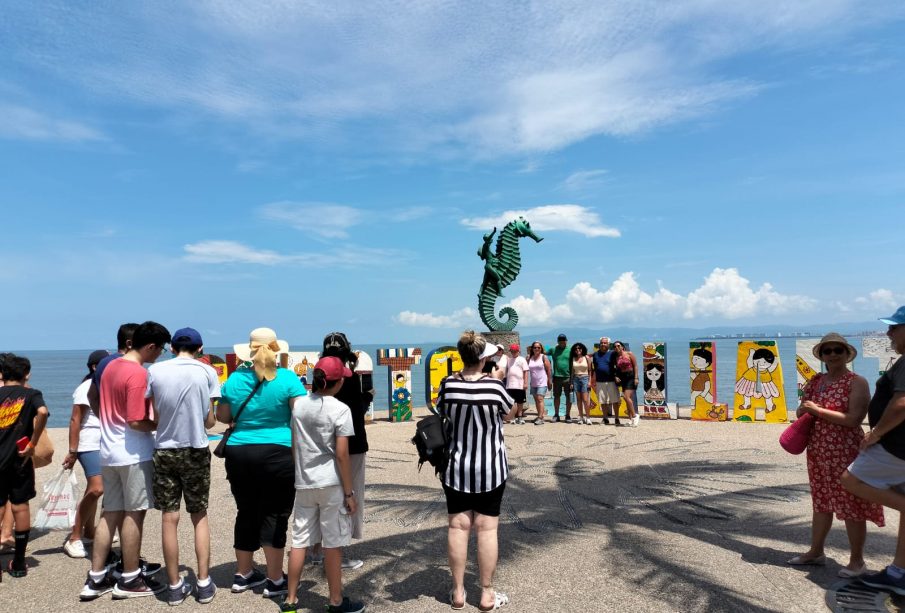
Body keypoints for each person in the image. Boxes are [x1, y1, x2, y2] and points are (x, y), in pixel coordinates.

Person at [80, 321, 171, 600]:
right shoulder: (138, 374)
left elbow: (94, 400)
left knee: (110, 513)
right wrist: (158, 424)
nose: (160, 355)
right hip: (133, 453)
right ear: (151, 346)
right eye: (161, 350)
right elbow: (135, 419)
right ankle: (130, 577)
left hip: (107, 450)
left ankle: (96, 577)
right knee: (135, 513)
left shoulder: (109, 368)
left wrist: (111, 422)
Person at [217, 327, 306, 599]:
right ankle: (275, 578)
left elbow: (222, 416)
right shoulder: (288, 379)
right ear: (276, 349)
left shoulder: (233, 380)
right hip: (277, 452)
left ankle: (242, 574)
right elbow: (301, 416)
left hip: (239, 452)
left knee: (246, 510)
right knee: (275, 513)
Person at [786, 332, 881, 577]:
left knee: (851, 504)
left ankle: (857, 561)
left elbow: (853, 420)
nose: (832, 355)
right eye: (827, 351)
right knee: (821, 502)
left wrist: (818, 410)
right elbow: (801, 412)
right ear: (822, 355)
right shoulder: (816, 380)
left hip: (845, 450)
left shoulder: (856, 382)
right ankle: (815, 552)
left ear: (846, 354)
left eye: (837, 350)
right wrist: (805, 410)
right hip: (818, 450)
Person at [439, 331, 516, 611]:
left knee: (457, 527)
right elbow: (510, 413)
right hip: (490, 468)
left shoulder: (448, 384)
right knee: (486, 530)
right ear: (483, 358)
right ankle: (486, 594)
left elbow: (441, 411)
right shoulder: (494, 387)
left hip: (456, 467)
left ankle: (458, 592)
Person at [282, 357, 364, 613]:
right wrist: (349, 493)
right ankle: (336, 600)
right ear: (337, 381)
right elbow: (342, 455)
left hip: (304, 482)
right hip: (331, 483)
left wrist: (300, 472)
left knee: (299, 541)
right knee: (332, 543)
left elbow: (296, 445)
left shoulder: (299, 406)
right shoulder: (340, 409)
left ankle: (290, 600)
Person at [146, 327, 220, 605]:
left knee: (169, 517)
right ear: (200, 348)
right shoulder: (207, 372)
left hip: (164, 449)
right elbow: (209, 421)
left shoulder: (155, 372)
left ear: (173, 347)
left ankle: (175, 586)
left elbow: (153, 413)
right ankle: (203, 582)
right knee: (199, 515)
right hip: (196, 449)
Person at [841, 306, 905, 593]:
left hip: (895, 447)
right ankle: (898, 572)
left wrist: (875, 434)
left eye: (895, 327)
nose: (888, 333)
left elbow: (902, 404)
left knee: (850, 480)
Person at [312, 332, 374, 571]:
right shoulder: (351, 376)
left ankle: (317, 549)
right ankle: (336, 553)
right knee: (348, 498)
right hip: (353, 445)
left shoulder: (322, 377)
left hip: (323, 445)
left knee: (324, 499)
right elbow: (362, 405)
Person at [0, 354, 50, 578]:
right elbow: (43, 412)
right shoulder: (32, 394)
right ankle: (19, 563)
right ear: (26, 374)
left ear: (2, 374)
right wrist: (32, 443)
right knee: (20, 506)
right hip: (20, 460)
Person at [62, 349, 110, 558]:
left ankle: (90, 531)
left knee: (97, 488)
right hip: (88, 444)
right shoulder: (86, 388)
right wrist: (72, 451)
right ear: (94, 367)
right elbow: (75, 419)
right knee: (97, 489)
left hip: (107, 443)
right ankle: (74, 536)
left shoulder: (106, 386)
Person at [592, 337, 619, 425]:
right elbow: (594, 368)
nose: (603, 344)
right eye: (602, 343)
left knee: (614, 400)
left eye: (605, 343)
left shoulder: (613, 354)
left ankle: (617, 418)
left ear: (608, 344)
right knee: (602, 401)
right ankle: (605, 418)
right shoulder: (595, 354)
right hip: (600, 381)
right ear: (600, 344)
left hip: (611, 380)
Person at [547, 334, 573, 423]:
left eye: (564, 340)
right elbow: (541, 353)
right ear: (557, 341)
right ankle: (556, 415)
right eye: (560, 340)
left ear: (566, 340)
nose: (562, 342)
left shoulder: (570, 350)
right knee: (556, 397)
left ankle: (568, 415)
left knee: (568, 397)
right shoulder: (553, 349)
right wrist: (529, 353)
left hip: (568, 377)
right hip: (557, 377)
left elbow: (580, 356)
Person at [613, 341, 640, 427]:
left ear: (622, 347)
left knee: (626, 396)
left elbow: (635, 366)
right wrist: (616, 377)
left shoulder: (629, 354)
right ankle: (630, 419)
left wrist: (636, 377)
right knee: (627, 399)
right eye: (615, 346)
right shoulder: (617, 357)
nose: (617, 347)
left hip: (631, 377)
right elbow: (617, 369)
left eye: (618, 346)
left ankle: (635, 416)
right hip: (623, 378)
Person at [527, 341, 552, 426]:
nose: (537, 349)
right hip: (533, 383)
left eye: (538, 347)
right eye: (535, 347)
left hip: (542, 382)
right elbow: (525, 369)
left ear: (541, 349)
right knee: (536, 400)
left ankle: (541, 417)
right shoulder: (529, 358)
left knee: (540, 398)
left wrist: (549, 381)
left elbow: (549, 370)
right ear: (532, 349)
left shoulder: (543, 357)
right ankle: (539, 416)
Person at [504, 345, 528, 424]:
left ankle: (520, 416)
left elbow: (526, 371)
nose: (513, 352)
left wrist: (525, 383)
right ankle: (512, 416)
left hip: (519, 384)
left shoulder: (522, 359)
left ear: (518, 351)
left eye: (515, 351)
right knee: (511, 402)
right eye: (512, 351)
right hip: (510, 385)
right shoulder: (509, 360)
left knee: (520, 402)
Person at [569, 343, 593, 425]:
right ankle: (581, 417)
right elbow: (572, 372)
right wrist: (571, 382)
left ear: (582, 349)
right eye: (576, 349)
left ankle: (588, 417)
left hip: (585, 378)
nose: (577, 350)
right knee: (579, 400)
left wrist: (590, 381)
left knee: (586, 400)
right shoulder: (573, 358)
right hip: (576, 379)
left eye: (579, 348)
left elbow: (590, 371)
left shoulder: (586, 357)